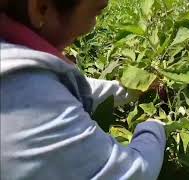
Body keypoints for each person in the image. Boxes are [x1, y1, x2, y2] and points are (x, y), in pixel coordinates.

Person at [0, 0, 166, 180]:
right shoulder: (25, 93)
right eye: (96, 13)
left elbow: (66, 90)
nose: (93, 25)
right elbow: (135, 174)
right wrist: (154, 127)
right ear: (41, 8)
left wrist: (134, 88)